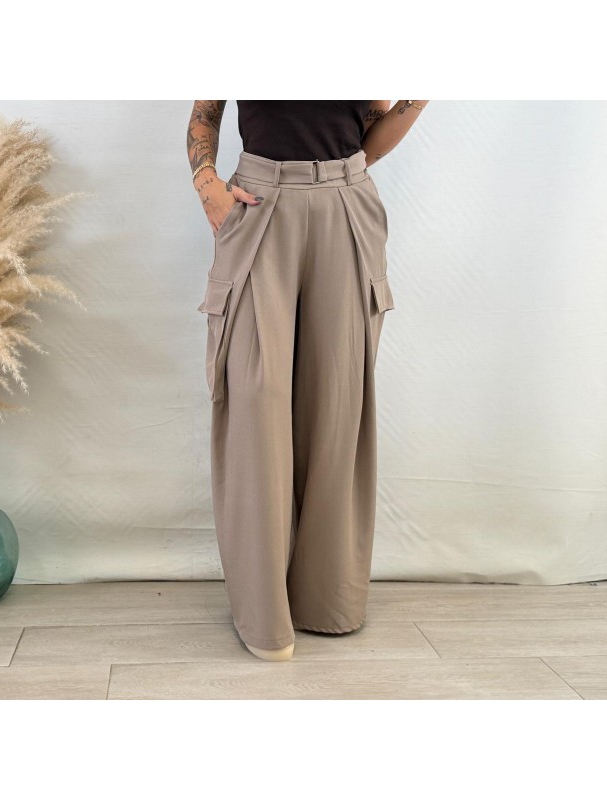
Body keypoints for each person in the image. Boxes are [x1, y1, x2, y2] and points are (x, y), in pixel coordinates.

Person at [188, 100, 429, 661]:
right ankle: (263, 613)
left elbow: (371, 133)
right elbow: (205, 112)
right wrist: (207, 183)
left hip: (345, 203)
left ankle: (328, 601)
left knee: (337, 404)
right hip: (258, 201)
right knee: (257, 401)